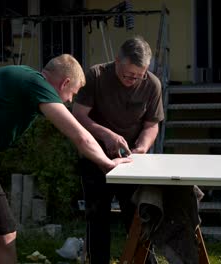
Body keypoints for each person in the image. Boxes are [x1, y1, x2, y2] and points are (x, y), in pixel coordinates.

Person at [0, 54, 132, 264]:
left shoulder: (28, 82)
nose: (69, 101)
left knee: (4, 232)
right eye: (73, 94)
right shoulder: (36, 83)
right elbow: (80, 136)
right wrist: (107, 164)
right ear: (65, 83)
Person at [72, 36, 164, 264]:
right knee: (97, 218)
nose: (133, 80)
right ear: (117, 62)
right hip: (95, 158)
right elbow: (78, 116)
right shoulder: (96, 75)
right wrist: (106, 135)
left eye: (138, 76)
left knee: (137, 218)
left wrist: (141, 149)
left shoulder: (152, 84)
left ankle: (145, 262)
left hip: (131, 162)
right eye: (128, 74)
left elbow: (152, 124)